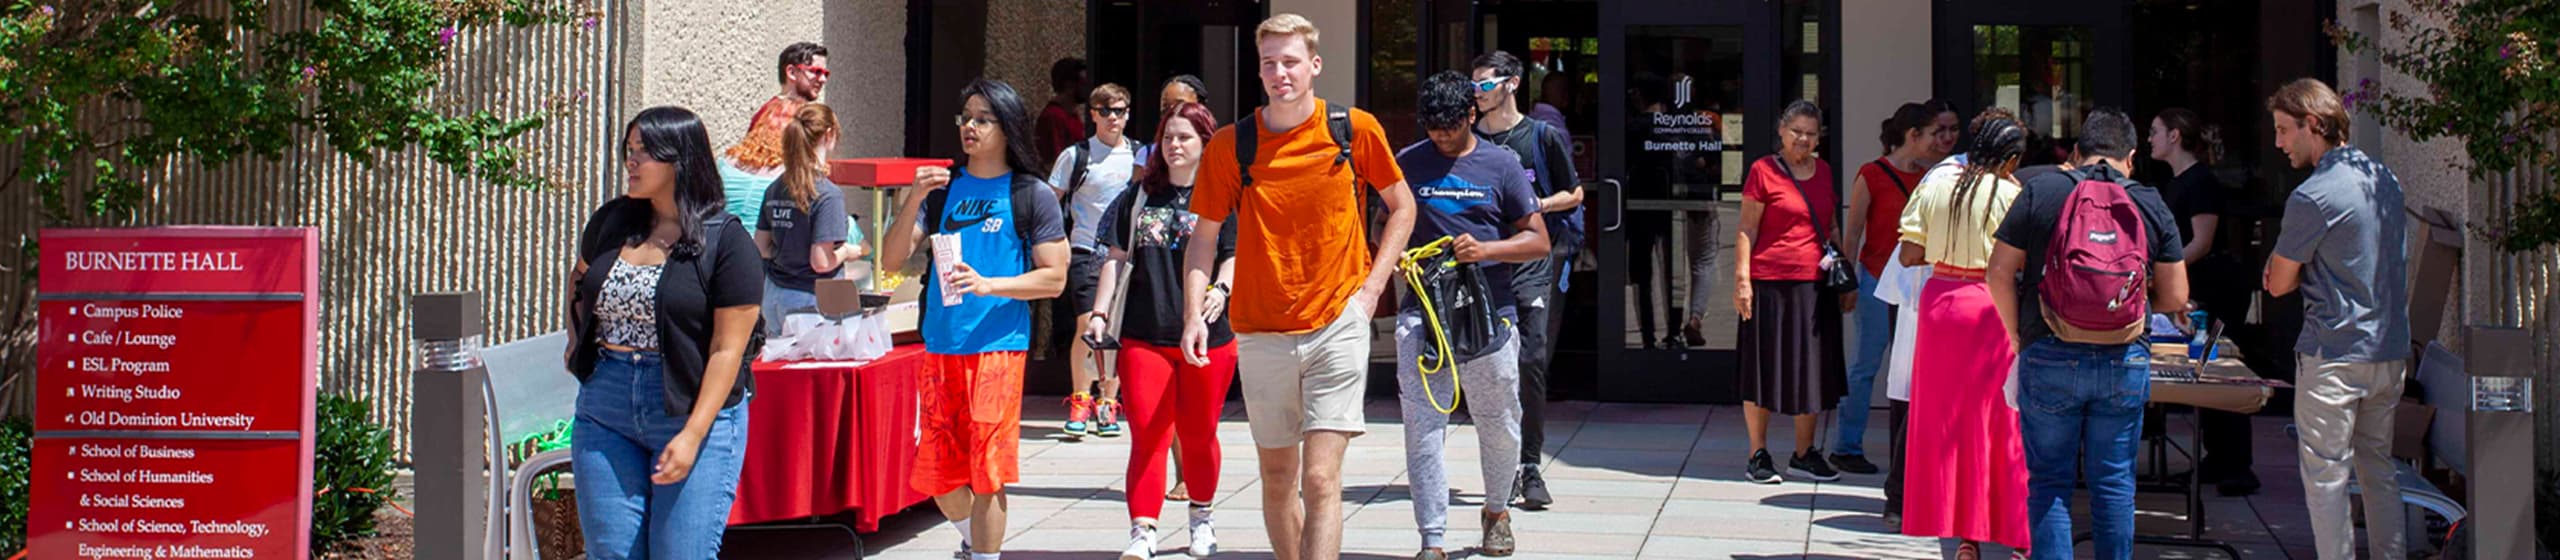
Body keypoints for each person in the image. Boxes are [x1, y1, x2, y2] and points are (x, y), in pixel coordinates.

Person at [1183, 14, 1417, 560]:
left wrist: (1370, 292)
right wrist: (1195, 313)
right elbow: (1203, 239)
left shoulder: (1352, 128)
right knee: (1277, 476)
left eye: (1290, 61)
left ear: (1314, 65)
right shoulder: (1230, 144)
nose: (1279, 73)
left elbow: (1402, 207)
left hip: (1338, 322)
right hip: (1261, 330)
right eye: (1269, 63)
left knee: (1319, 478)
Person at [879, 79, 1072, 560]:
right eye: (965, 117)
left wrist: (991, 284)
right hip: (942, 345)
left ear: (1007, 127)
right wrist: (912, 199)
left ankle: (985, 555)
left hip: (997, 348)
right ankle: (975, 542)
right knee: (937, 474)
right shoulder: (944, 192)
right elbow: (892, 258)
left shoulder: (1032, 194)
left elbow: (1054, 278)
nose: (969, 126)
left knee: (987, 471)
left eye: (982, 118)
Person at [1987, 107, 2189, 560]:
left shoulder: (2042, 190)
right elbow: (2176, 297)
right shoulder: (2150, 201)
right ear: (2131, 157)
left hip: (2049, 349)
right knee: (2114, 484)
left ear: (2076, 152)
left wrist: (2017, 334)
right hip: (2123, 357)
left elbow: (1998, 273)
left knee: (2050, 482)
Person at [566, 106, 764, 560]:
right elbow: (579, 279)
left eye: (644, 152)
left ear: (681, 159)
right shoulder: (612, 221)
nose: (631, 162)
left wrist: (693, 435)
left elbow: (727, 350)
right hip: (606, 405)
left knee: (682, 553)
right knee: (613, 554)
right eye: (629, 150)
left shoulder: (725, 240)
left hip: (693, 405)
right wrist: (575, 340)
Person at [1394, 71, 1550, 559]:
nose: (1440, 137)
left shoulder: (1501, 164)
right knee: (1422, 426)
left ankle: (1497, 511)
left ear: (1470, 116)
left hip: (1489, 313)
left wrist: (1487, 249)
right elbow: (1385, 227)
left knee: (1499, 422)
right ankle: (1432, 538)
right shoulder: (1407, 164)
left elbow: (1538, 240)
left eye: (1450, 127)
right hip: (1423, 314)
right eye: (1431, 128)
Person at [2263, 78, 2409, 560]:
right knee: (2378, 468)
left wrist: (2278, 269)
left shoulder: (2314, 195)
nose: (2280, 142)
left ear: (2315, 124)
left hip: (2334, 356)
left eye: (2286, 130)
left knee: (2327, 478)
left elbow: (2279, 283)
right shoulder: (2383, 180)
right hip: (2387, 350)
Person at [1087, 101, 1237, 560]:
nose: (1174, 145)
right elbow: (1116, 256)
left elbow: (1234, 252)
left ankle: (1202, 518)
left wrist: (1221, 290)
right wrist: (1098, 312)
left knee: (1198, 433)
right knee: (1147, 434)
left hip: (1209, 337)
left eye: (1185, 137)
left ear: (1205, 143)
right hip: (1143, 333)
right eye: (1169, 137)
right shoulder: (1138, 196)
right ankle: (1142, 530)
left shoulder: (1221, 194)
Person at [1897, 118, 2032, 560]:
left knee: (1948, 424)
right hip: (1991, 305)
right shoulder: (2011, 195)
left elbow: (1909, 253)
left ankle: (1964, 537)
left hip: (1941, 307)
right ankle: (2016, 540)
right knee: (2001, 423)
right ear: (2010, 159)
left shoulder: (1936, 185)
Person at [1467, 50, 1583, 510]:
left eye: (1484, 83)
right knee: (1488, 369)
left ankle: (1530, 465)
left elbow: (1573, 193)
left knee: (1531, 360)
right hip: (1482, 266)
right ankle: (1502, 461)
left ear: (1512, 83)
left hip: (1534, 259)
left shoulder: (1541, 137)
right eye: (1473, 85)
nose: (1477, 92)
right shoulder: (1469, 140)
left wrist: (1537, 205)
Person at [1834, 100, 1954, 477]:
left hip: (1917, 283)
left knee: (1918, 369)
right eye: (1933, 134)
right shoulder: (1871, 173)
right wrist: (1847, 280)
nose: (1940, 140)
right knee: (1866, 365)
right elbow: (1853, 232)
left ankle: (1916, 449)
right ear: (1912, 136)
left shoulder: (1929, 177)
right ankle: (1846, 446)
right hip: (1873, 279)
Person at [1733, 99, 1846, 485]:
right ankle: (1758, 453)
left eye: (1811, 133)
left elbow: (1830, 225)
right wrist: (1742, 280)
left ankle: (1804, 452)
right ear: (1781, 131)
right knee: (1763, 369)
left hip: (1814, 284)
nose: (1803, 139)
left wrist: (1843, 269)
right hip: (1768, 282)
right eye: (1796, 131)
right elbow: (1747, 228)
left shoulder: (1825, 171)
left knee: (1810, 371)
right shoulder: (1763, 171)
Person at [2147, 108, 2255, 496]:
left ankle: (2238, 465)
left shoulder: (2200, 182)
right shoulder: (2175, 182)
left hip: (2218, 285)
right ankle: (2216, 457)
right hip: (2196, 284)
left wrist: (2165, 272)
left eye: (2156, 131)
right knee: (2201, 369)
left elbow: (2201, 241)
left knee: (2221, 368)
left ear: (2175, 136)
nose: (2150, 139)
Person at [1050, 83, 1144, 438]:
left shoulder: (1139, 155)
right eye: (1105, 112)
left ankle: (1107, 402)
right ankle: (1080, 398)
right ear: (1092, 115)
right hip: (1085, 250)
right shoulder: (1076, 156)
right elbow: (1050, 201)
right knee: (1088, 324)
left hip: (1124, 255)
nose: (1113, 119)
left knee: (1116, 328)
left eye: (1119, 111)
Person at [755, 103, 868, 333]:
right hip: (809, 301)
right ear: (829, 135)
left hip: (774, 295)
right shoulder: (827, 194)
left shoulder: (775, 188)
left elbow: (761, 247)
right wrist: (847, 251)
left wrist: (788, 251)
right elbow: (822, 262)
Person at [1152, 72, 1207, 502]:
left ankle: (1198, 472)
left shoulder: (1218, 161)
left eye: (1180, 106)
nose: (1171, 116)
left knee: (1196, 406)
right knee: (1165, 403)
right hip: (1158, 291)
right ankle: (1182, 472)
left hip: (1206, 294)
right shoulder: (1153, 165)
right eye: (1164, 108)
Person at [723, 42, 830, 231]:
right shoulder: (781, 113)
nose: (822, 79)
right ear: (791, 72)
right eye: (816, 71)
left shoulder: (766, 111)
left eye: (826, 74)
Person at [1039, 57, 1090, 158]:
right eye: (1084, 83)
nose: (1088, 88)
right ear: (1069, 86)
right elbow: (1053, 161)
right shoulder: (1053, 116)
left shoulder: (1072, 115)